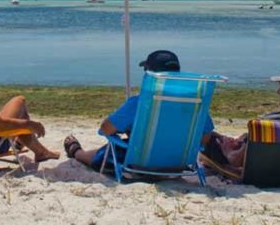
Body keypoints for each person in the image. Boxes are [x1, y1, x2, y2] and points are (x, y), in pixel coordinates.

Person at [63, 50, 214, 172]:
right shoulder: (195, 104)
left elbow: (106, 129)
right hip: (177, 164)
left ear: (151, 75)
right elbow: (206, 136)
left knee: (107, 152)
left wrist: (134, 132)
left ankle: (77, 152)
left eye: (145, 69)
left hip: (141, 164)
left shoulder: (141, 103)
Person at [202, 63, 280, 170]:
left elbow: (236, 160)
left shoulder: (269, 123)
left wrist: (226, 149)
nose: (278, 92)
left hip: (266, 174)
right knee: (241, 138)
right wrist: (244, 139)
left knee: (209, 138)